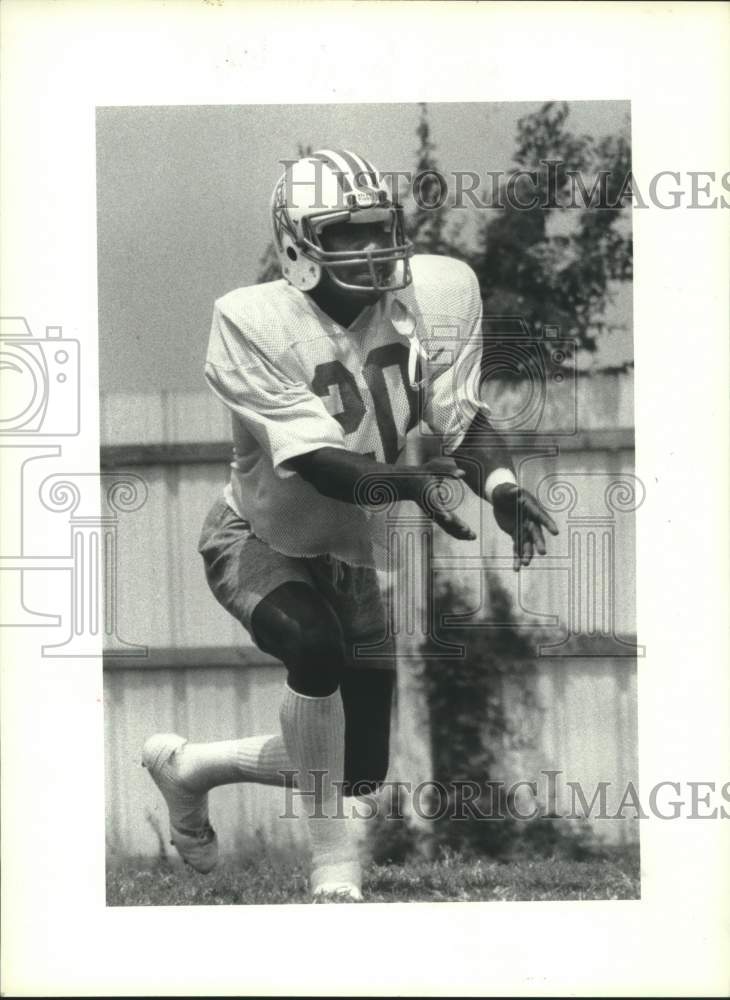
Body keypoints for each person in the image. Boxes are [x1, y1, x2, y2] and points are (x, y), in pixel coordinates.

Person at [142, 148, 558, 902]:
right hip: (258, 538)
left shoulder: (435, 293)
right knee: (315, 645)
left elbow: (459, 422)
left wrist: (497, 484)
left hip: (350, 551)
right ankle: (335, 863)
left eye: (379, 229)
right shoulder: (252, 319)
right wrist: (405, 481)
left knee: (362, 766)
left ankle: (191, 768)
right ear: (299, 246)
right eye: (346, 234)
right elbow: (317, 461)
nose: (372, 249)